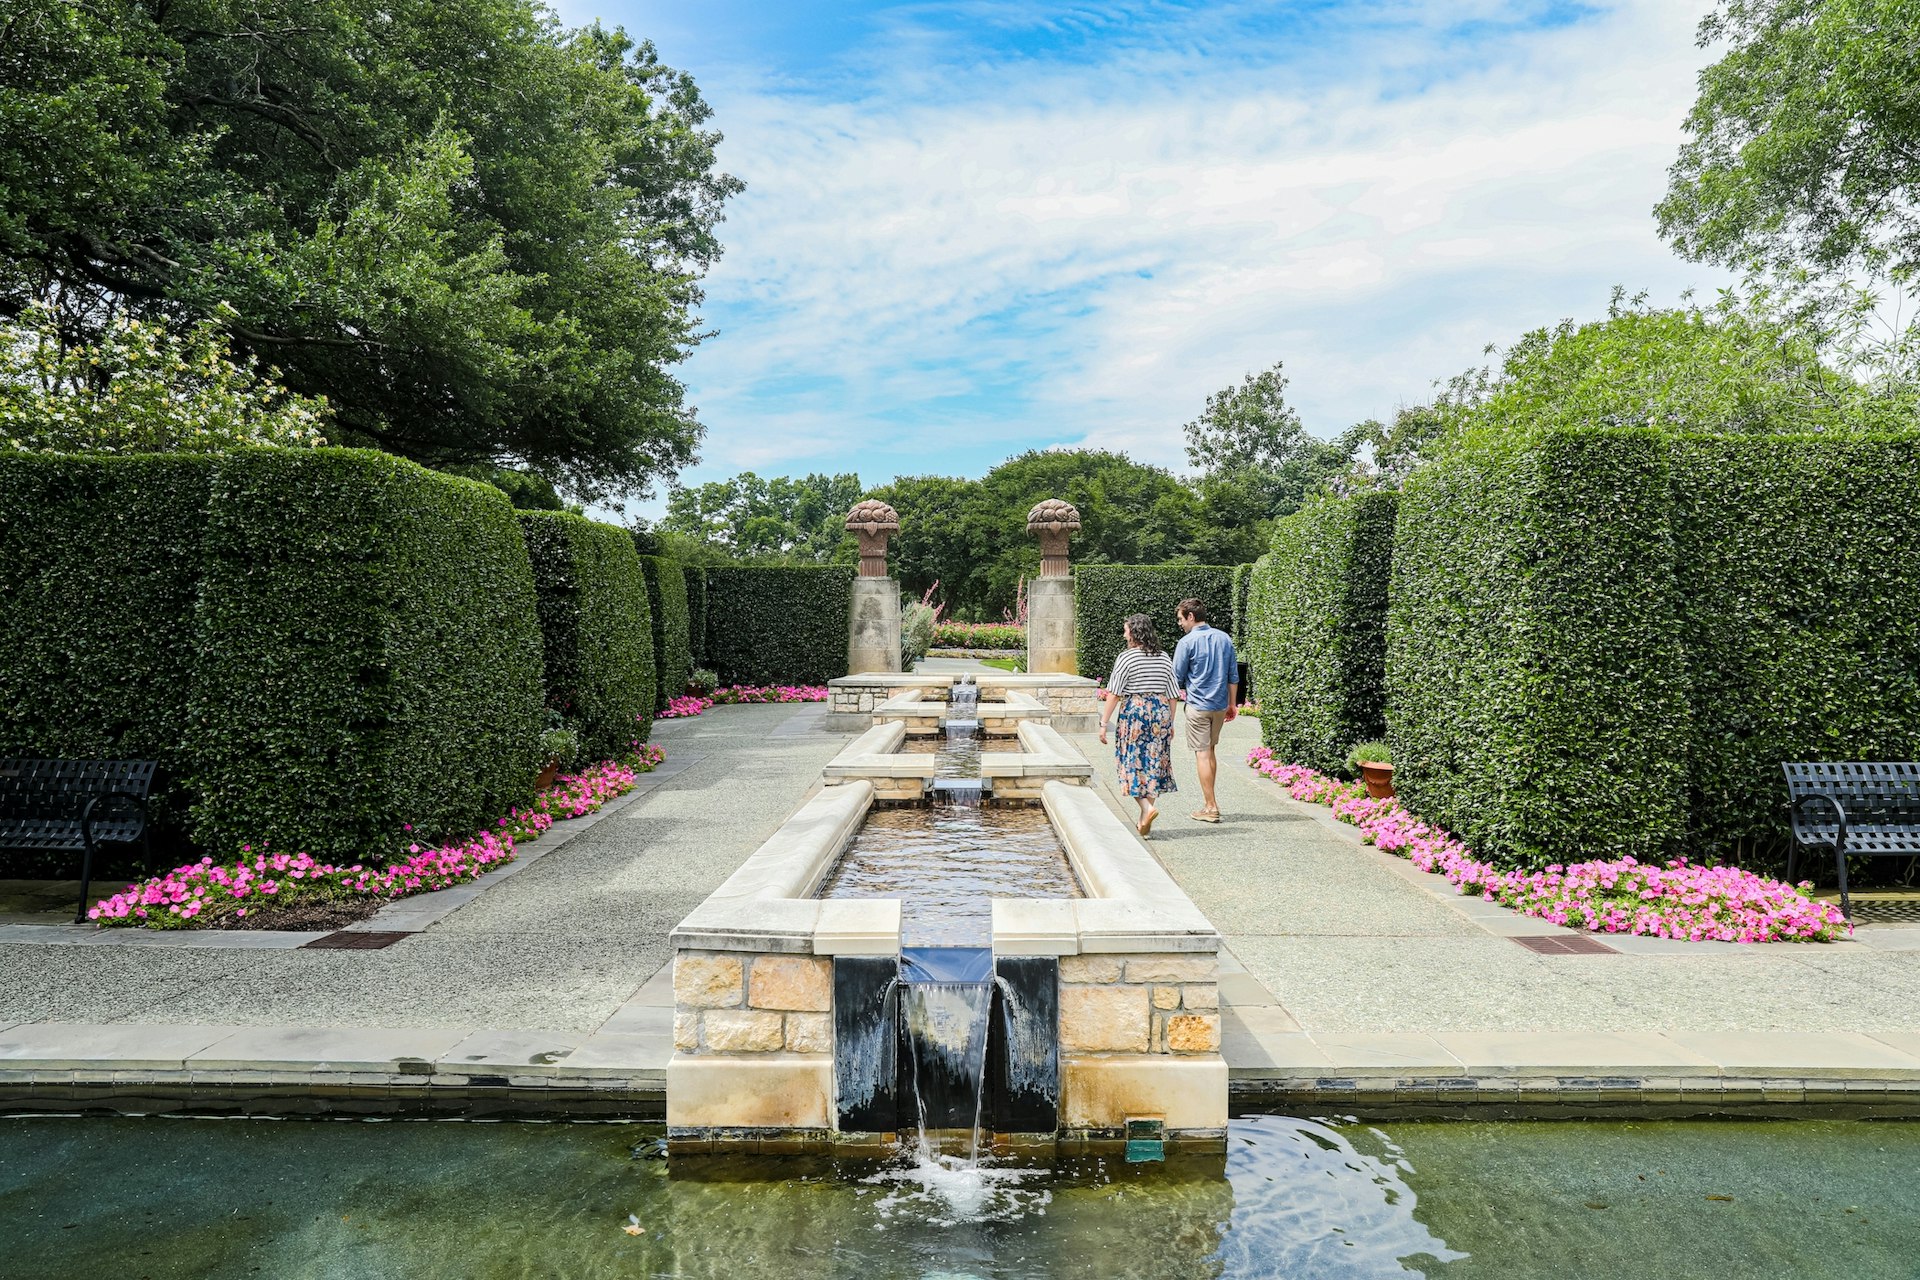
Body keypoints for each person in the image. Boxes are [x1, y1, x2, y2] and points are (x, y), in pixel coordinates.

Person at [1096, 613, 1178, 837]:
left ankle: (1146, 807)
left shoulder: (1127, 658)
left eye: (1126, 630)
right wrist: (1171, 722)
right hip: (1160, 711)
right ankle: (1144, 820)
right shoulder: (1164, 657)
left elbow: (1113, 693)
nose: (1124, 634)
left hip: (1136, 711)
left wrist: (1104, 723)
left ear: (1134, 632)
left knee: (1129, 762)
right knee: (1154, 762)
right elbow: (1173, 694)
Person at [1172, 597, 1238, 823]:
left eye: (1181, 619)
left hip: (1198, 706)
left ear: (1191, 616)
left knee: (1202, 754)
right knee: (1210, 751)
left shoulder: (1186, 643)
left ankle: (1210, 806)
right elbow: (1233, 675)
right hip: (1220, 706)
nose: (1180, 623)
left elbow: (1176, 678)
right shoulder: (1224, 638)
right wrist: (1232, 703)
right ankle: (1210, 803)